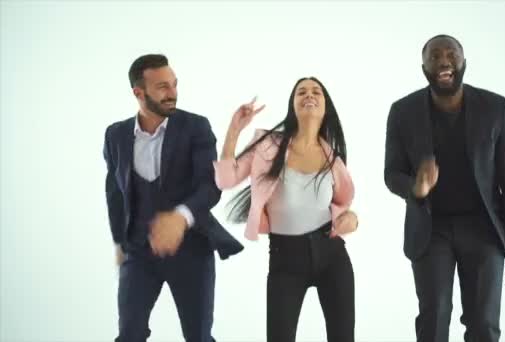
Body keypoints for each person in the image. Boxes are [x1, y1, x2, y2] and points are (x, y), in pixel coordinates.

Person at [384, 35, 505, 342]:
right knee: (434, 318)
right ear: (424, 67)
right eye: (434, 56)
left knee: (483, 324)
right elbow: (391, 173)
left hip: (483, 228)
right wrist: (417, 187)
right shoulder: (403, 112)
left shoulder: (497, 109)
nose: (443, 60)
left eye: (451, 54)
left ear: (463, 62)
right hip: (430, 228)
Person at [103, 54, 243, 342]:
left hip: (192, 249)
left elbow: (210, 187)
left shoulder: (195, 127)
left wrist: (181, 217)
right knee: (129, 334)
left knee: (198, 336)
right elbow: (115, 192)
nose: (173, 93)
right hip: (138, 252)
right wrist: (119, 241)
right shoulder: (115, 135)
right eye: (163, 87)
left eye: (174, 85)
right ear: (138, 93)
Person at [213, 77, 359, 342]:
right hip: (285, 260)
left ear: (325, 106)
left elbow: (346, 208)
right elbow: (225, 180)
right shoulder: (268, 145)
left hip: (332, 257)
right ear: (293, 105)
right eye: (301, 92)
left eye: (316, 91)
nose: (309, 95)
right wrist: (234, 131)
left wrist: (351, 220)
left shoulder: (332, 158)